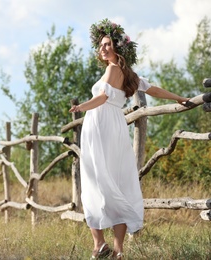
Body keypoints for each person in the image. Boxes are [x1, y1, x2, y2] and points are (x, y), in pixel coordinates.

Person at [69, 19, 189, 259]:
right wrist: (178, 97)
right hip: (115, 128)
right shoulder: (130, 75)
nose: (103, 48)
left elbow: (102, 98)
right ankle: (118, 250)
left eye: (108, 44)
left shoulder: (112, 69)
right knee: (116, 182)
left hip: (101, 125)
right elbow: (152, 89)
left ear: (118, 49)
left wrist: (82, 106)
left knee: (95, 183)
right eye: (101, 45)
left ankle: (99, 244)